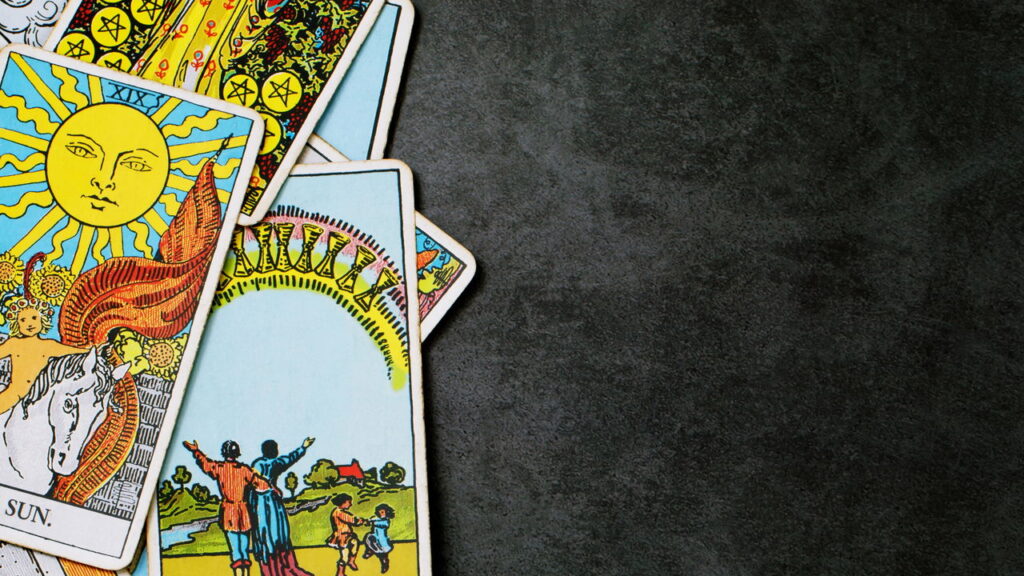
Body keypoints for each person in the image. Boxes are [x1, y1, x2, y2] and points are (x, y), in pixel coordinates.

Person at [184, 440, 273, 576]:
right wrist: (271, 487)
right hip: (243, 513)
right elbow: (261, 484)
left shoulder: (220, 468)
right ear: (237, 453)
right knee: (244, 550)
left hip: (229, 512)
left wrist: (196, 451)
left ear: (224, 453)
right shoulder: (244, 470)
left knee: (236, 550)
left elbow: (205, 464)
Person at [0, 295, 82, 415]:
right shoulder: (14, 343)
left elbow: (75, 351)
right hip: (14, 395)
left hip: (39, 399)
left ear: (42, 320)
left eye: (34, 318)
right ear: (17, 324)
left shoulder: (49, 345)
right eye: (23, 320)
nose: (29, 324)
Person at [247, 437, 315, 576]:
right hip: (270, 503)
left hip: (259, 503)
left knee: (266, 536)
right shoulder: (275, 463)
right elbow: (290, 458)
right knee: (277, 534)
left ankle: (271, 570)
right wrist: (303, 447)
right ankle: (285, 567)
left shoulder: (257, 463)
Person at [326, 493, 364, 576]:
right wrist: (360, 521)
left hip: (348, 535)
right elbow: (351, 520)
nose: (350, 504)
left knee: (355, 544)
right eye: (349, 502)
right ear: (342, 502)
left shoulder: (342, 512)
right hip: (342, 537)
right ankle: (340, 573)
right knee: (345, 556)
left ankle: (351, 561)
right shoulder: (338, 512)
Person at [362, 504, 395, 574]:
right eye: (379, 512)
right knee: (368, 539)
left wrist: (372, 522)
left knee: (382, 555)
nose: (380, 514)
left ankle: (385, 565)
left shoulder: (386, 520)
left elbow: (382, 524)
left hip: (382, 539)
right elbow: (370, 522)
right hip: (375, 536)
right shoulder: (375, 518)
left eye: (382, 512)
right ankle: (369, 551)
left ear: (387, 512)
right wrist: (368, 521)